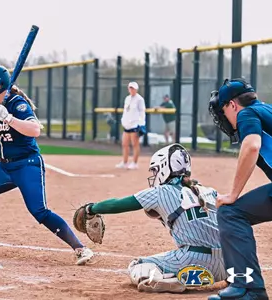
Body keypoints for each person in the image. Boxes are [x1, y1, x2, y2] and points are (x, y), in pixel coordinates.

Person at [0, 64, 94, 265]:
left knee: (39, 211)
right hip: (5, 167)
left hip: (27, 165)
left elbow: (34, 130)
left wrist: (9, 119)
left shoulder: (17, 104)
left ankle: (80, 248)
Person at [74, 143, 226, 293]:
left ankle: (174, 279)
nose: (154, 175)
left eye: (156, 170)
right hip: (228, 262)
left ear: (166, 167)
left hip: (193, 260)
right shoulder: (208, 191)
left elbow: (118, 204)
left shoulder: (161, 192)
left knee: (138, 265)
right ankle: (234, 278)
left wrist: (91, 208)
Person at [207, 78, 271, 300]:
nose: (223, 117)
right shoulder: (267, 110)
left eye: (223, 110)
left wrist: (233, 194)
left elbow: (252, 146)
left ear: (233, 105)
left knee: (231, 212)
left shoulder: (246, 114)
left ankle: (248, 288)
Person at [116, 81, 146, 170]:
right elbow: (126, 111)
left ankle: (135, 163)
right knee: (124, 144)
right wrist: (123, 120)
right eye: (130, 88)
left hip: (135, 124)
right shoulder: (127, 98)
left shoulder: (140, 99)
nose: (131, 90)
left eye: (133, 88)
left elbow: (142, 112)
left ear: (136, 89)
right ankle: (125, 162)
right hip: (127, 125)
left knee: (135, 144)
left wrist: (140, 124)